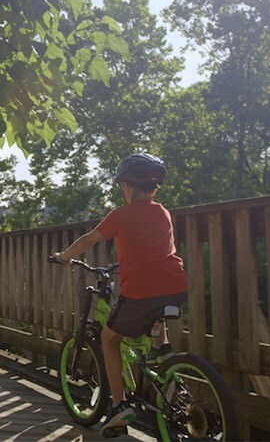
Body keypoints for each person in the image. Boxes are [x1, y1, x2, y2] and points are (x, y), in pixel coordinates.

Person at [53, 153, 187, 434]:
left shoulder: (121, 215)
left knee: (109, 338)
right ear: (153, 188)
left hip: (141, 292)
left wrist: (65, 256)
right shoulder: (163, 212)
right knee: (156, 309)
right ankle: (162, 353)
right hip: (176, 287)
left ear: (128, 186)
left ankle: (119, 406)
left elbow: (89, 239)